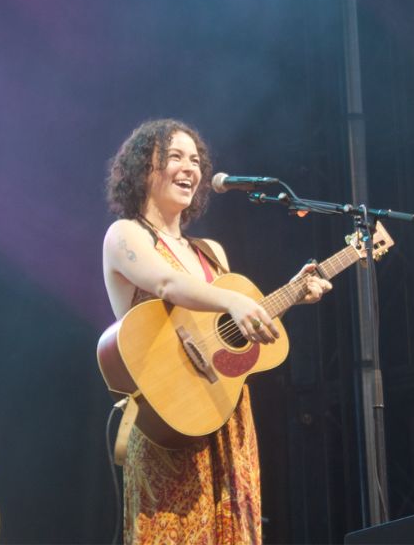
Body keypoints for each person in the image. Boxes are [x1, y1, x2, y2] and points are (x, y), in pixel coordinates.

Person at [103, 119, 333, 544]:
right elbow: (166, 284)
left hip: (222, 414)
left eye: (195, 160)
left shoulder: (211, 252)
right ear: (143, 169)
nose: (189, 168)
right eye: (174, 157)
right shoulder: (125, 235)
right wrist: (232, 300)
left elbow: (225, 328)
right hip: (166, 422)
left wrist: (292, 295)